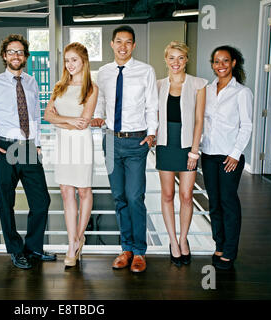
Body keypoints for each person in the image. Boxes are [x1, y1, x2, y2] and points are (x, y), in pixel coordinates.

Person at [0, 34, 56, 269]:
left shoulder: (31, 82)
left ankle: (34, 248)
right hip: (5, 147)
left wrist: (37, 143)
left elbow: (36, 116)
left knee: (41, 201)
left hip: (28, 147)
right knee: (6, 202)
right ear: (4, 56)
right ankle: (15, 250)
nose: (16, 56)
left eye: (20, 52)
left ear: (26, 56)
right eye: (11, 51)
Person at [91, 25, 158, 273]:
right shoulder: (104, 73)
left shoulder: (145, 71)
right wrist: (97, 118)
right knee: (119, 197)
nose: (123, 46)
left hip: (136, 141)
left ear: (133, 45)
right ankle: (126, 248)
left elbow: (152, 104)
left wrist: (152, 133)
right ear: (111, 44)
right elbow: (101, 102)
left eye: (128, 42)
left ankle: (139, 251)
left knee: (134, 197)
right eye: (119, 41)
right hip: (110, 140)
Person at [44, 42, 98, 267]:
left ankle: (78, 238)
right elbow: (47, 115)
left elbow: (83, 123)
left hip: (81, 144)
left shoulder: (91, 88)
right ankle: (71, 241)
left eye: (74, 59)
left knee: (84, 190)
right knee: (66, 192)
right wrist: (68, 120)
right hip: (64, 144)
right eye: (67, 60)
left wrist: (61, 119)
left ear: (84, 61)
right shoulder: (59, 86)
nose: (70, 64)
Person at [155, 41, 206, 267]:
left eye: (180, 58)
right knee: (167, 195)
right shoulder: (157, 85)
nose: (176, 62)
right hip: (165, 145)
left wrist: (194, 152)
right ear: (165, 60)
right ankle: (173, 242)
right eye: (171, 58)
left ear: (187, 60)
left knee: (186, 196)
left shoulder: (198, 84)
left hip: (187, 147)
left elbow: (199, 120)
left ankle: (184, 240)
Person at [202, 45, 252, 270]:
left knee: (228, 202)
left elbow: (247, 125)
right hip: (208, 154)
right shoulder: (207, 89)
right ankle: (219, 244)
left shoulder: (242, 92)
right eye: (216, 61)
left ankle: (230, 251)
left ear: (233, 63)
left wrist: (235, 154)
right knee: (214, 203)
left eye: (225, 61)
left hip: (229, 156)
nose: (220, 65)